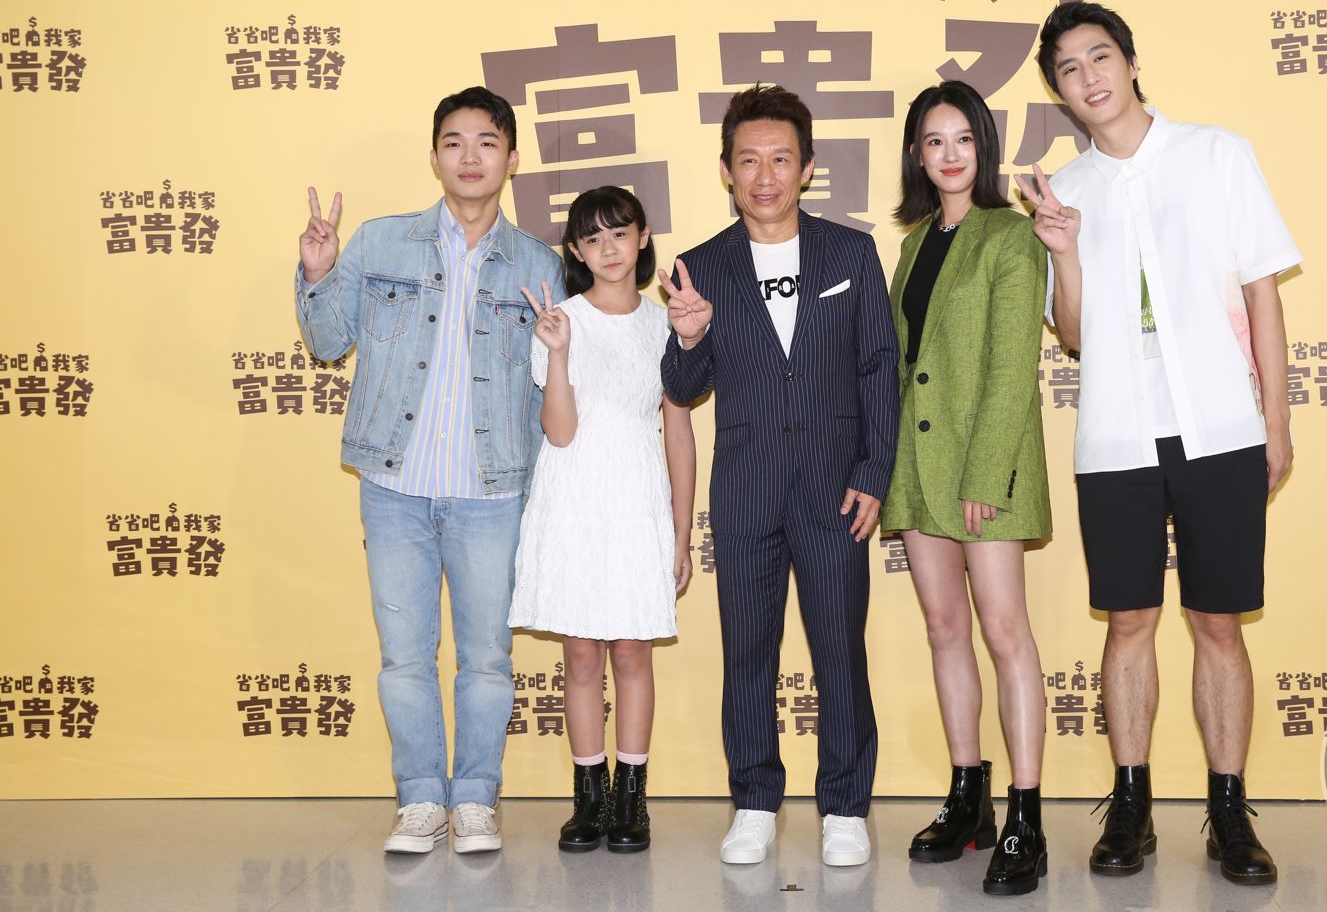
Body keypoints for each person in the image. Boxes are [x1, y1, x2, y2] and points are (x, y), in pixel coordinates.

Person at [1019, 2, 1300, 886]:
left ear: (1132, 61)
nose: (1089, 77)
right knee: (1129, 620)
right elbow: (1071, 335)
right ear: (1059, 92)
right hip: (1116, 435)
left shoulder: (1217, 154)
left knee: (1218, 620)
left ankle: (1230, 812)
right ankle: (1130, 806)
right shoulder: (1065, 192)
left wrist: (1277, 422)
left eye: (1100, 56)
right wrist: (1064, 251)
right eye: (1069, 69)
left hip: (1220, 425)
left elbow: (1262, 294)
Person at [293, 86, 564, 855]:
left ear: (512, 159)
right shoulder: (381, 243)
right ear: (435, 157)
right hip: (395, 490)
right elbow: (326, 342)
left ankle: (474, 798)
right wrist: (317, 273)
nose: (470, 157)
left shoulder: (539, 264)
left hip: (492, 493)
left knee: (487, 658)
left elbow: (551, 388)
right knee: (405, 657)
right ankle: (419, 798)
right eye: (454, 142)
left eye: (487, 143)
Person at [658, 83, 899, 868]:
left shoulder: (849, 253)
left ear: (808, 167)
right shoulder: (700, 266)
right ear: (727, 170)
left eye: (781, 160)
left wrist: (874, 470)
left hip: (836, 490)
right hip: (747, 490)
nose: (765, 176)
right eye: (749, 161)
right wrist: (688, 338)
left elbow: (879, 366)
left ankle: (846, 807)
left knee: (840, 652)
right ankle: (755, 801)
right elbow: (683, 386)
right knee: (748, 654)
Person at [881, 81, 1051, 896]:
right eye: (934, 141)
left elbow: (1014, 366)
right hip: (919, 466)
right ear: (917, 155)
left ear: (983, 148)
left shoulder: (1010, 237)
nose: (949, 155)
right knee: (945, 628)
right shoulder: (915, 244)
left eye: (963, 139)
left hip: (989, 470)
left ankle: (1026, 815)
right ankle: (967, 796)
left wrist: (985, 476)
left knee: (1006, 632)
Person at [507, 186, 695, 855]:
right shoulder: (560, 321)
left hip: (638, 499)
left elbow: (679, 435)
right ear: (576, 252)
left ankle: (631, 798)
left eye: (619, 232)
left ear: (643, 237)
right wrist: (558, 352)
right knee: (581, 654)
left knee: (633, 651)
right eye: (592, 238)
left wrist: (681, 533)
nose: (608, 248)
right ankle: (589, 798)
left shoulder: (667, 323)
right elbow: (559, 432)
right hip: (574, 498)